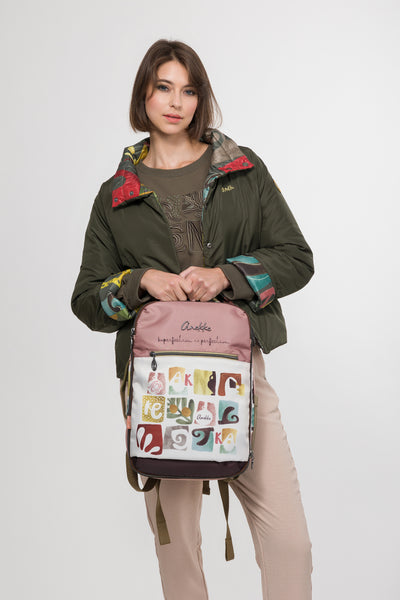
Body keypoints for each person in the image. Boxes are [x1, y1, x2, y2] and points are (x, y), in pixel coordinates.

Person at [71, 39, 314, 600]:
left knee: (289, 543)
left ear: (201, 99)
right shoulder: (115, 196)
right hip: (158, 388)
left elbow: (296, 258)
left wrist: (227, 274)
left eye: (188, 90)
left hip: (238, 375)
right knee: (177, 550)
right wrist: (140, 282)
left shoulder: (242, 169)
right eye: (163, 87)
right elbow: (86, 299)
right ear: (144, 94)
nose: (176, 102)